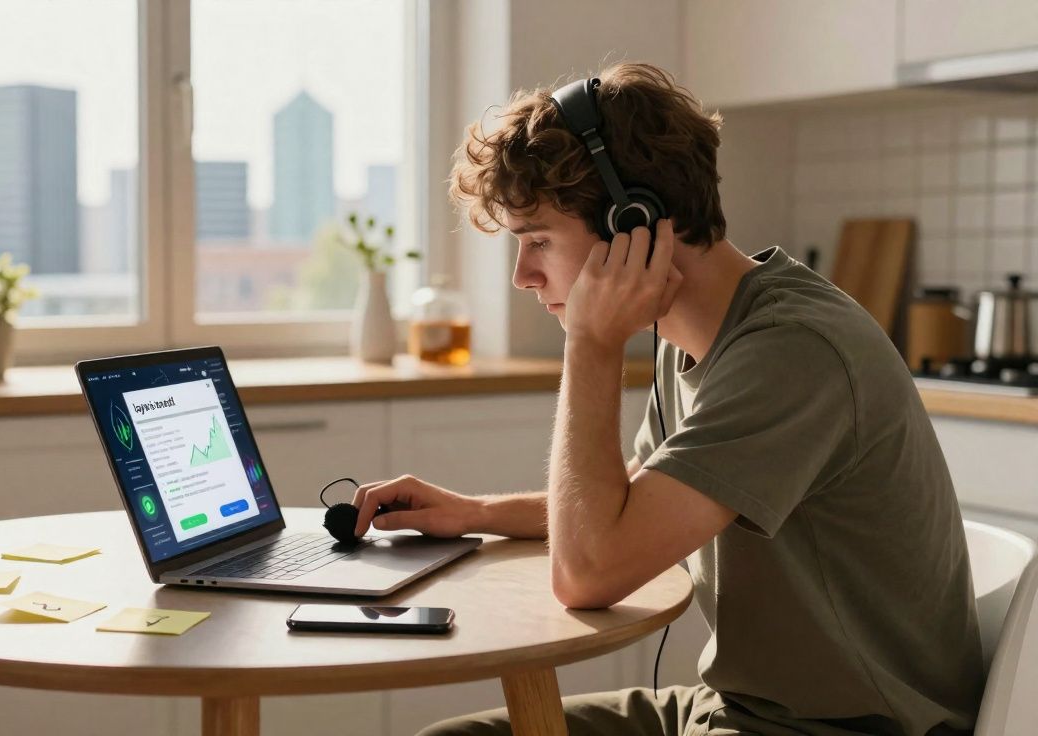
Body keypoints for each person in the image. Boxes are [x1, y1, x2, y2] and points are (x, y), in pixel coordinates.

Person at [350, 62, 985, 736]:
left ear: (636, 223)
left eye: (538, 241)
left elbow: (589, 571)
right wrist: (474, 512)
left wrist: (591, 344)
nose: (522, 276)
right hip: (737, 708)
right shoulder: (691, 334)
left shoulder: (792, 351)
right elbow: (634, 499)